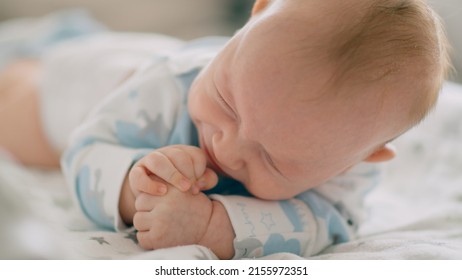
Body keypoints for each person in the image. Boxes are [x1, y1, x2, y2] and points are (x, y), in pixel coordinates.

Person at [0, 0, 450, 259]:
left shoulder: (345, 168)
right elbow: (86, 151)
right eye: (226, 103)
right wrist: (139, 187)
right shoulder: (168, 88)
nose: (227, 146)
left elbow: (322, 224)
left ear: (361, 157)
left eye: (273, 158)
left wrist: (215, 226)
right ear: (257, 14)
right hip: (91, 82)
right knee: (17, 113)